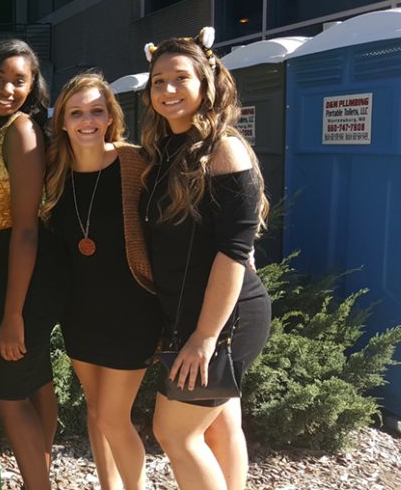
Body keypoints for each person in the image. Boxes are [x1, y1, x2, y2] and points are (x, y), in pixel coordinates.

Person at [139, 28, 271, 490]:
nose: (168, 90)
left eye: (180, 79)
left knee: (173, 433)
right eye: (158, 81)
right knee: (218, 424)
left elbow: (235, 252)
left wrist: (204, 337)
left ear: (206, 84)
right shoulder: (166, 152)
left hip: (223, 319)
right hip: (193, 310)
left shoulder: (224, 150)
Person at [41, 73, 160, 490]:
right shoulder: (54, 172)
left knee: (114, 417)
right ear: (63, 122)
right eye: (76, 112)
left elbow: (183, 218)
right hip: (80, 314)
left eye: (97, 110)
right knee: (96, 411)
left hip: (134, 312)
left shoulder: (136, 163)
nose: (87, 120)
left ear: (111, 116)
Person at [0, 39, 59, 490]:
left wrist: (13, 314)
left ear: (32, 85)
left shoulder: (22, 130)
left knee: (6, 395)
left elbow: (25, 229)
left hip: (25, 270)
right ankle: (38, 479)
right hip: (10, 264)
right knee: (36, 379)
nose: (7, 88)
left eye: (19, 81)